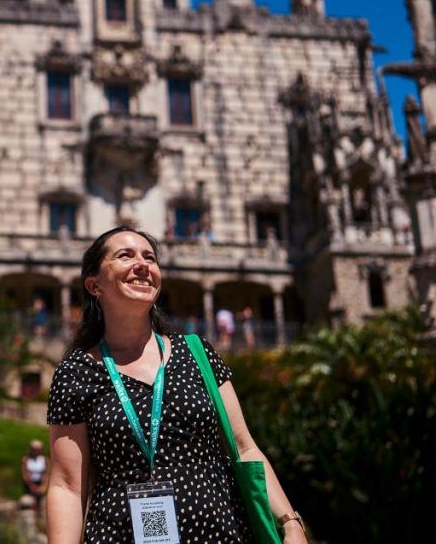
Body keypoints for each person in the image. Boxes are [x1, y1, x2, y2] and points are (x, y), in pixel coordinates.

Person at [45, 226, 307, 543]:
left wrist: (290, 522)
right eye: (125, 255)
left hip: (221, 535)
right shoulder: (77, 372)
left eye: (150, 257)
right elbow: (67, 485)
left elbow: (244, 446)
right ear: (94, 285)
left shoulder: (198, 354)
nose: (142, 264)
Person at [21, 439, 49, 510]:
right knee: (29, 503)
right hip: (29, 485)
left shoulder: (45, 460)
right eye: (34, 449)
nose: (36, 451)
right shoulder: (26, 459)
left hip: (41, 484)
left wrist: (43, 486)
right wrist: (32, 486)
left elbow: (46, 473)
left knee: (42, 504)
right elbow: (25, 473)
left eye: (38, 449)